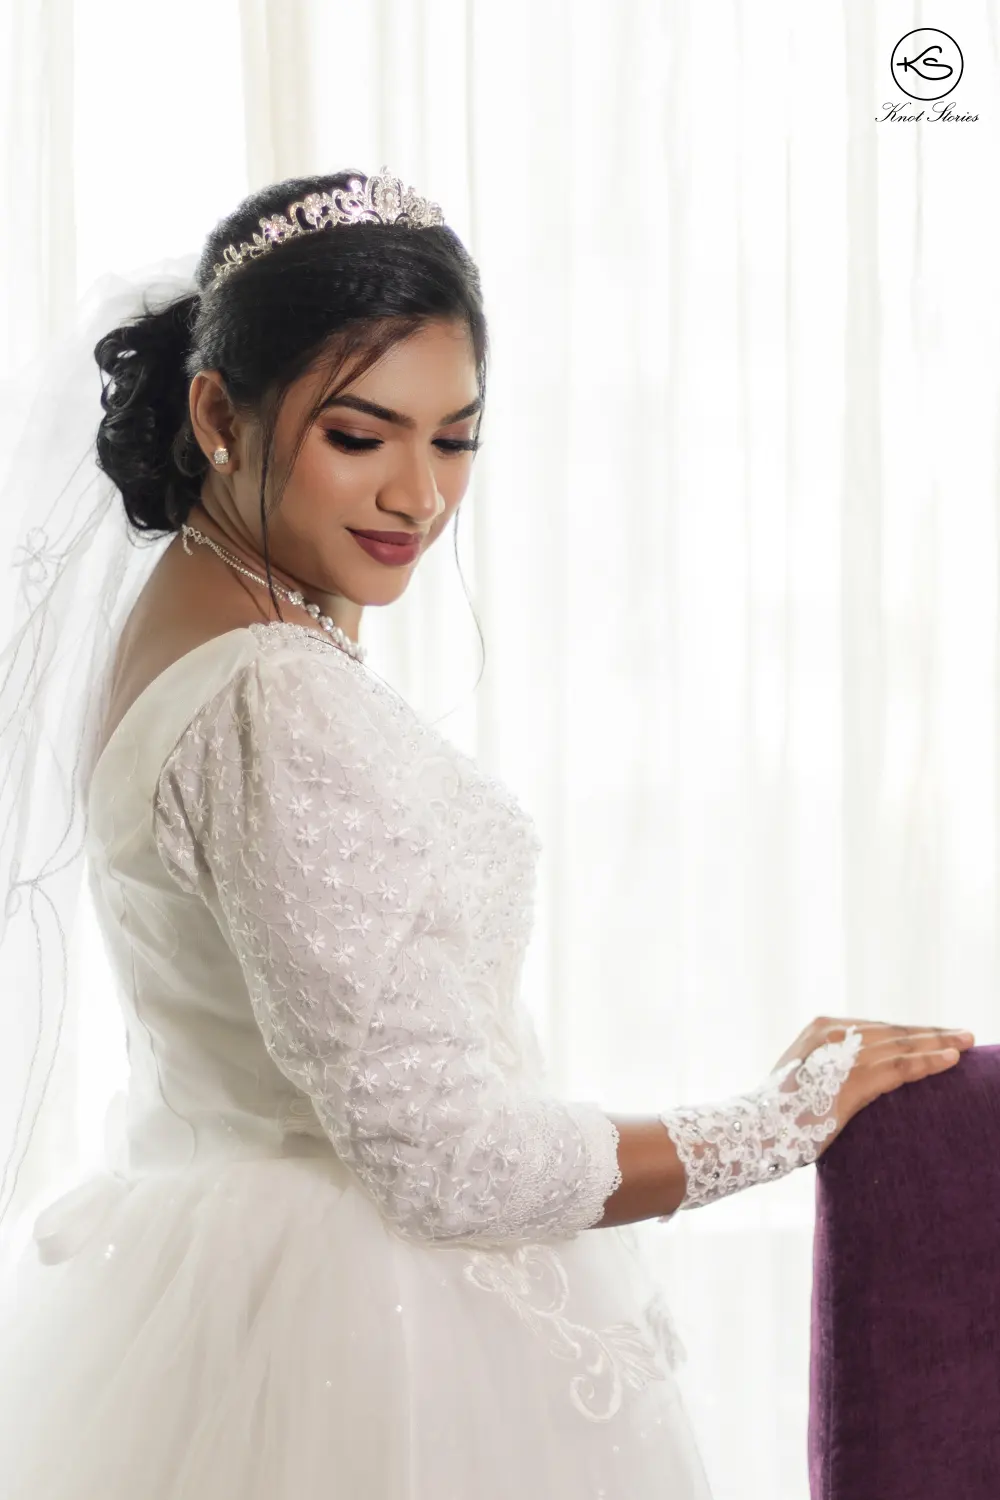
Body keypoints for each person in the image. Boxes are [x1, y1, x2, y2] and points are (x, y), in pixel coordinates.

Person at [0, 165, 976, 1500]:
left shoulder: (202, 614)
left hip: (222, 1282)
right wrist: (777, 1121)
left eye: (454, 439)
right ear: (219, 413)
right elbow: (448, 1160)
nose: (419, 496)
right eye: (361, 436)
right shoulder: (274, 699)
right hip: (369, 1338)